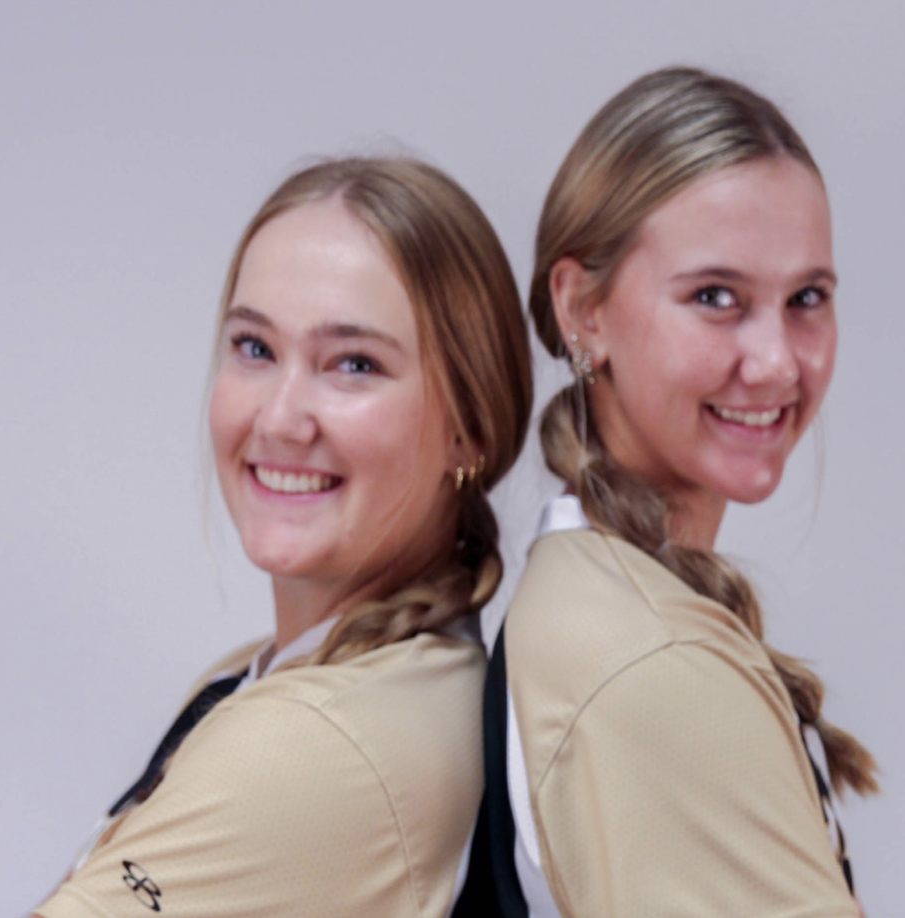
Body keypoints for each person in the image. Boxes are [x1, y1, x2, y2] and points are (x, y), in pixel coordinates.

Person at [35, 156, 533, 918]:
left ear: (471, 427)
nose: (278, 418)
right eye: (255, 348)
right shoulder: (278, 681)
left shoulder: (318, 744)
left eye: (354, 364)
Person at [458, 67, 878, 918]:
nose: (777, 361)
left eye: (807, 299)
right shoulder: (648, 662)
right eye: (715, 297)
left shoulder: (609, 599)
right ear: (584, 312)